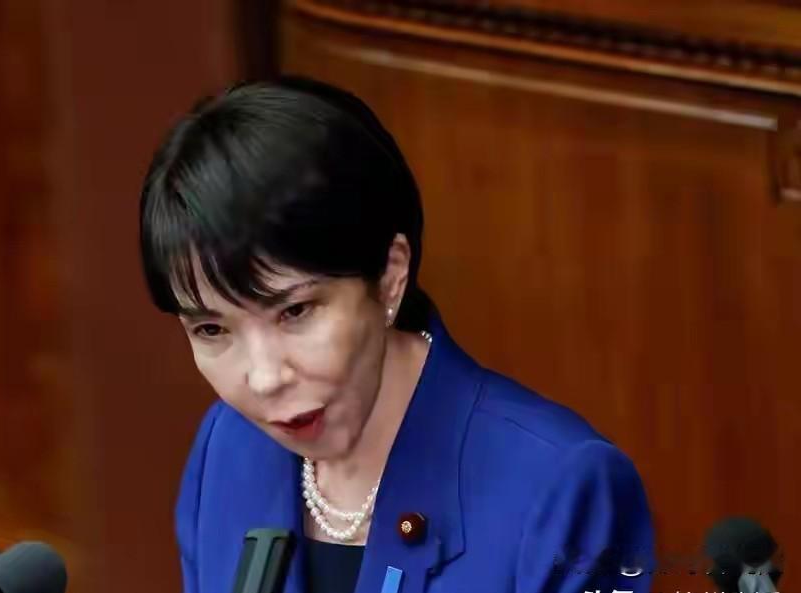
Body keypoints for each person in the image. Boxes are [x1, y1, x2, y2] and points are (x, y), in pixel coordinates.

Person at [138, 76, 655, 593]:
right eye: (211, 329)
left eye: (295, 312)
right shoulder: (228, 448)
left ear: (390, 275)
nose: (265, 378)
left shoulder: (560, 487)